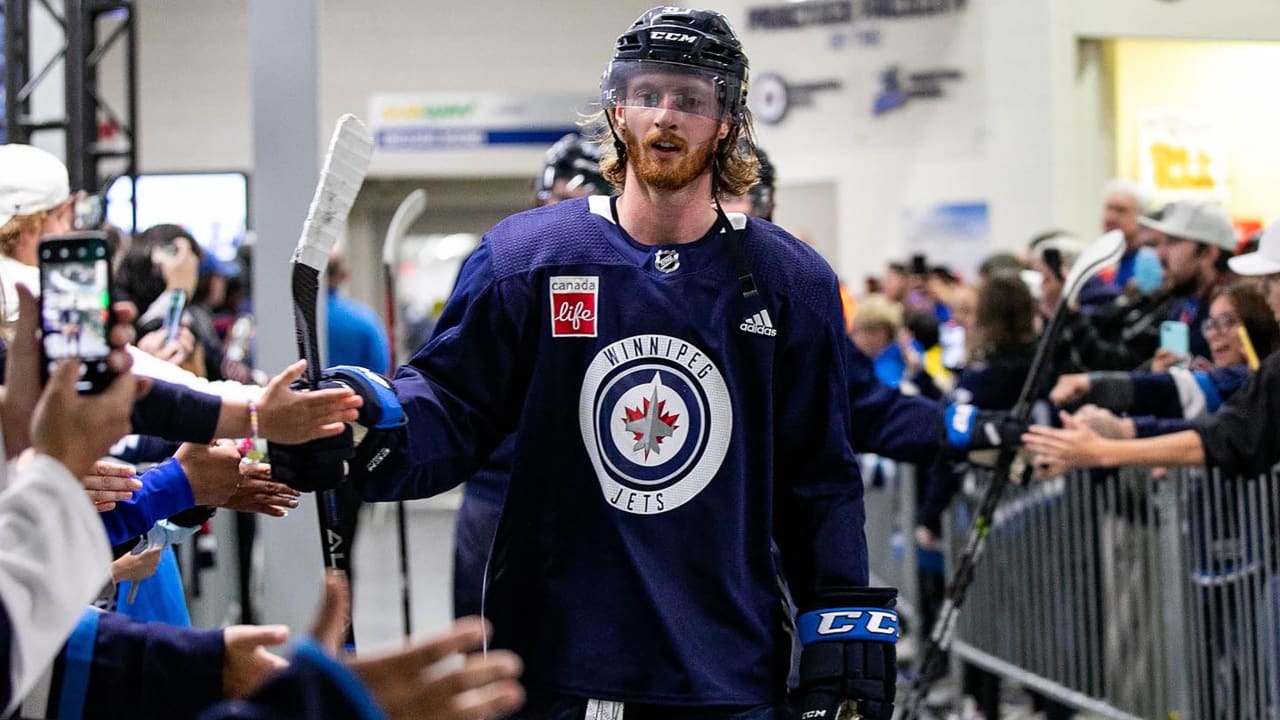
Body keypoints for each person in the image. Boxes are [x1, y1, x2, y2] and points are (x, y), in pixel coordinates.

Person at [274, 8, 897, 719]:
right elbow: (451, 402)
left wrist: (842, 636)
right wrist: (364, 419)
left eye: (691, 98)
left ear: (727, 120)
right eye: (646, 93)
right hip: (558, 667)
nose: (665, 116)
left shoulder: (791, 283)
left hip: (726, 672)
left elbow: (820, 479)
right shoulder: (525, 261)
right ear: (616, 108)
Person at [1099, 179, 1162, 295]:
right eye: (1109, 208)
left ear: (1142, 217)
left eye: (1121, 210)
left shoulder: (1152, 261)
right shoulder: (1098, 259)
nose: (1111, 217)